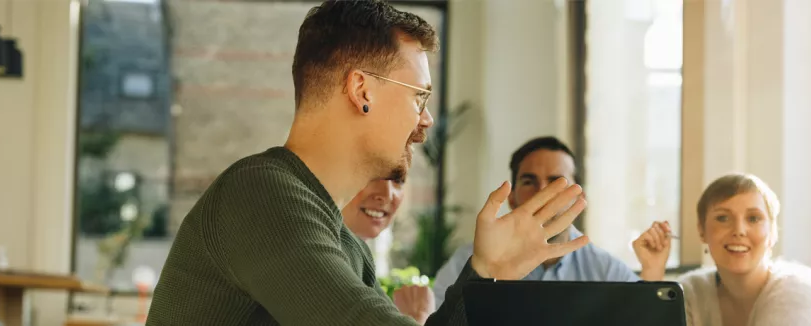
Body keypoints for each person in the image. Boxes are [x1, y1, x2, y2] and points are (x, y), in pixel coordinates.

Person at [147, 2, 591, 325]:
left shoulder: (344, 241)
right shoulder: (262, 196)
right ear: (362, 90)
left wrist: (485, 271)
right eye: (419, 96)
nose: (428, 119)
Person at [432, 136, 639, 308]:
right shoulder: (468, 262)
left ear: (577, 197)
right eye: (529, 181)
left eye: (556, 182)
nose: (542, 192)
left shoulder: (607, 271)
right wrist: (484, 274)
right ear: (511, 198)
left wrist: (652, 271)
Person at [635, 173, 811, 326]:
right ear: (701, 230)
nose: (739, 231)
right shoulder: (689, 292)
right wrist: (653, 272)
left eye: (754, 218)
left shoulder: (802, 292)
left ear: (773, 233)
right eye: (723, 218)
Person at [340, 178, 435, 324]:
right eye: (373, 177)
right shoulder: (321, 265)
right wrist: (417, 318)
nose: (387, 194)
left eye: (398, 180)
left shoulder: (361, 267)